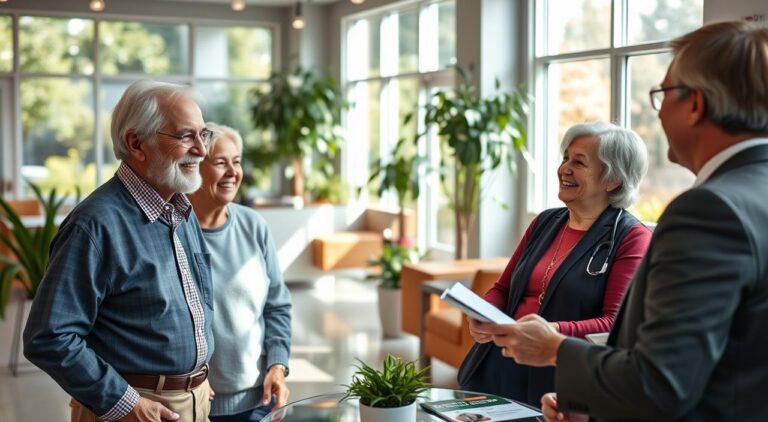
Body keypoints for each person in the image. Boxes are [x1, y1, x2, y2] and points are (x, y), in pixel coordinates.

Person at [485, 21, 768, 421]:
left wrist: (554, 348)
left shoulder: (709, 211)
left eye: (663, 94)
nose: (659, 110)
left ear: (695, 104)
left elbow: (660, 384)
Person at [23, 80, 215, 422]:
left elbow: (198, 303)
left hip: (193, 401)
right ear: (136, 143)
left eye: (205, 134)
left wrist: (198, 374)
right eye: (186, 136)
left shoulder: (182, 212)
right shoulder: (94, 225)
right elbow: (49, 337)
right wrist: (126, 403)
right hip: (133, 409)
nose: (201, 149)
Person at [458, 121, 651, 407]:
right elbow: (504, 288)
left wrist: (548, 335)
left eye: (579, 162)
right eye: (565, 158)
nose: (564, 169)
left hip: (560, 379)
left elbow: (612, 325)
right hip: (500, 364)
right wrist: (484, 314)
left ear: (613, 180)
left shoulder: (631, 237)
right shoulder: (546, 222)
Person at [187, 123, 292, 422]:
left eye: (237, 161)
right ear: (194, 168)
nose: (233, 172)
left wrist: (277, 366)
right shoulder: (173, 232)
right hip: (195, 404)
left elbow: (277, 305)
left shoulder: (254, 225)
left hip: (259, 399)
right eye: (220, 162)